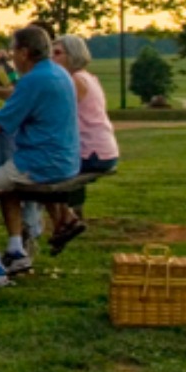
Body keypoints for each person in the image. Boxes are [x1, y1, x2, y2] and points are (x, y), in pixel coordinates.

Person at [0, 25, 79, 288]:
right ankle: (16, 250)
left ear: (24, 52)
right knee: (3, 179)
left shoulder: (33, 80)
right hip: (65, 159)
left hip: (42, 162)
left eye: (14, 50)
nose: (12, 57)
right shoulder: (57, 73)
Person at [46, 34, 120, 254]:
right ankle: (64, 221)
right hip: (105, 149)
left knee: (38, 168)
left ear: (73, 55)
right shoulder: (89, 78)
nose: (52, 58)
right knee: (43, 165)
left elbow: (56, 114)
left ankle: (65, 220)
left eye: (57, 53)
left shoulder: (73, 81)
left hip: (92, 152)